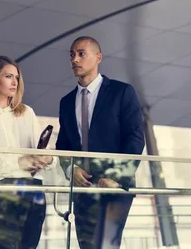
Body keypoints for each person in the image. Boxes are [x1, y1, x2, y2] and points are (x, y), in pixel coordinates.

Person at [56, 36, 145, 249]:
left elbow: (135, 137)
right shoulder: (67, 102)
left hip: (114, 185)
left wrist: (116, 176)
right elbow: (63, 145)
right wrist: (71, 168)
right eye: (71, 54)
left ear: (98, 57)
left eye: (81, 53)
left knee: (106, 244)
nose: (74, 59)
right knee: (87, 245)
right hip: (82, 187)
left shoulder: (121, 92)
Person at [0, 55, 55, 249]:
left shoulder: (27, 112)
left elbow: (41, 151)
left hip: (33, 191)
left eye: (16, 77)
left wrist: (47, 158)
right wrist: (20, 162)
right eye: (8, 76)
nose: (15, 82)